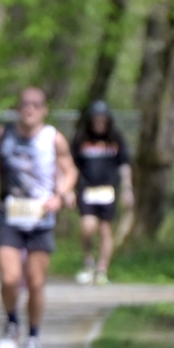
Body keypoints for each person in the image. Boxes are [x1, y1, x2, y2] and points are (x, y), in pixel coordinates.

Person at [0, 86, 77, 348]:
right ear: (17, 108)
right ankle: (12, 325)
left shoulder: (53, 138)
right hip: (10, 214)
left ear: (44, 110)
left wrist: (60, 195)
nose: (30, 109)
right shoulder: (4, 134)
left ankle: (34, 337)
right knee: (9, 278)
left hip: (41, 218)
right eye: (25, 104)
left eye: (36, 104)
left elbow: (70, 170)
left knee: (35, 282)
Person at [71, 99, 132, 285]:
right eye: (96, 119)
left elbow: (124, 165)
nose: (99, 123)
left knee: (106, 230)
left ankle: (102, 268)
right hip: (87, 189)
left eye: (102, 119)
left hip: (108, 190)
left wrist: (127, 189)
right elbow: (71, 166)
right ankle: (88, 260)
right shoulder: (81, 140)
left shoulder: (115, 139)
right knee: (87, 226)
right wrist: (69, 190)